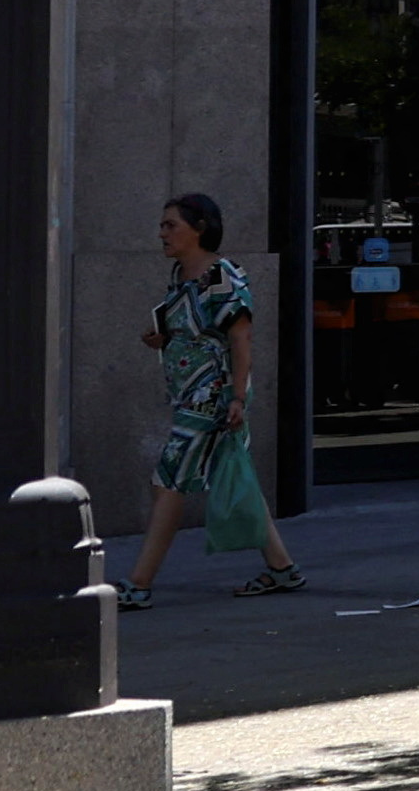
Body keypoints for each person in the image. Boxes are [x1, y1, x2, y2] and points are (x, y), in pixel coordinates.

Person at [126, 192, 297, 604]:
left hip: (213, 395)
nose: (162, 233)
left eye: (171, 225)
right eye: (162, 225)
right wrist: (163, 339)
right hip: (191, 393)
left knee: (167, 481)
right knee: (233, 473)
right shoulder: (181, 275)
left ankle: (139, 585)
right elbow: (195, 331)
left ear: (199, 228)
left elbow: (241, 338)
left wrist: (236, 397)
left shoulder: (223, 276)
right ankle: (282, 568)